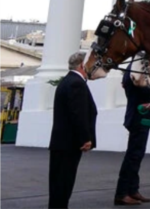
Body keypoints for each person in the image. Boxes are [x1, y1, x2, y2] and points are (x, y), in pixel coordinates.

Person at [48, 51, 97, 209]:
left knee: (58, 186)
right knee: (63, 185)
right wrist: (85, 138)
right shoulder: (77, 83)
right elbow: (79, 114)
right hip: (68, 144)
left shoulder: (67, 81)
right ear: (83, 65)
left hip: (61, 143)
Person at [114, 54, 150, 205]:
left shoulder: (133, 71)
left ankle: (132, 189)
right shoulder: (135, 73)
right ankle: (122, 193)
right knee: (133, 156)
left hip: (139, 118)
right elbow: (147, 91)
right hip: (138, 118)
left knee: (137, 155)